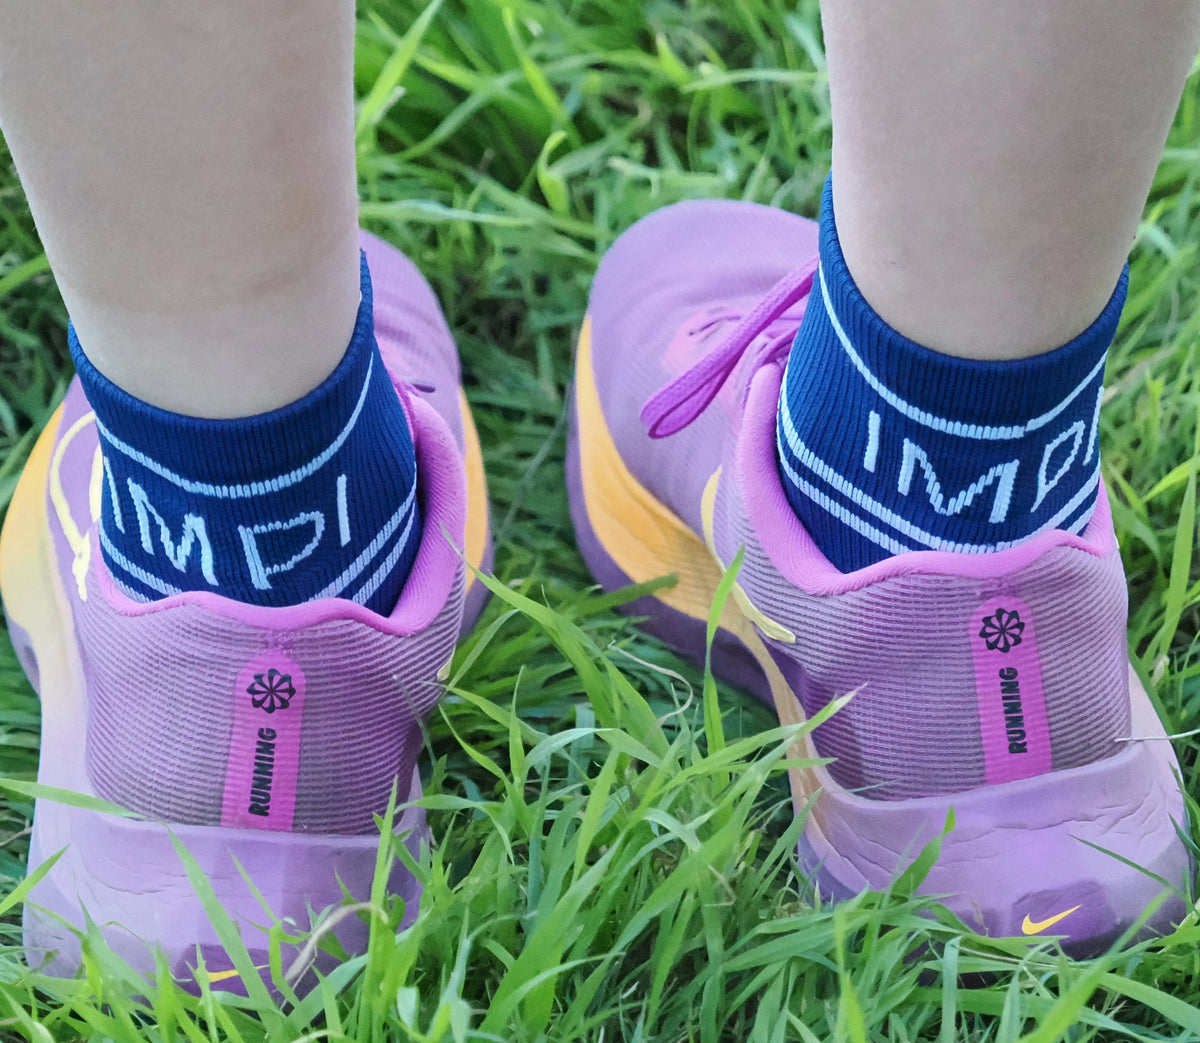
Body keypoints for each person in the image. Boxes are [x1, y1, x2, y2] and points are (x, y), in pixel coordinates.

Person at [0, 2, 1195, 987]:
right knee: (960, 451)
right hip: (1045, 676)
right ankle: (969, 523)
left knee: (231, 465)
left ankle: (224, 545)